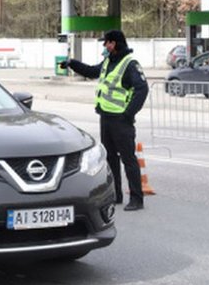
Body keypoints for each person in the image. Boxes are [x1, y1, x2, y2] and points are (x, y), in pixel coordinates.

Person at [59, 29, 149, 211]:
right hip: (106, 118)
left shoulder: (130, 64)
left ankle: (136, 199)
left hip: (121, 120)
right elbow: (92, 71)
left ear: (113, 44)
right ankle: (115, 195)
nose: (104, 46)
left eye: (106, 42)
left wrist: (128, 114)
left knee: (128, 160)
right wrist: (72, 63)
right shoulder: (109, 61)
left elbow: (142, 89)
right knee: (110, 159)